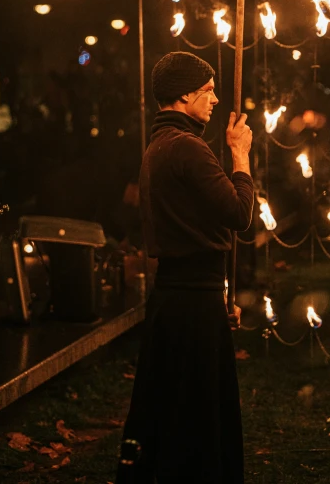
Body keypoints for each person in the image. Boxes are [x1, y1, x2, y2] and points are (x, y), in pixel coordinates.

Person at [117, 51, 254, 484]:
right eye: (208, 91)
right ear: (184, 93)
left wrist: (221, 295)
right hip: (191, 308)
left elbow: (200, 229)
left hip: (180, 300)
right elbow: (239, 215)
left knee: (172, 418)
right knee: (194, 424)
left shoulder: (159, 146)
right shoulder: (187, 148)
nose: (215, 100)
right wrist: (240, 155)